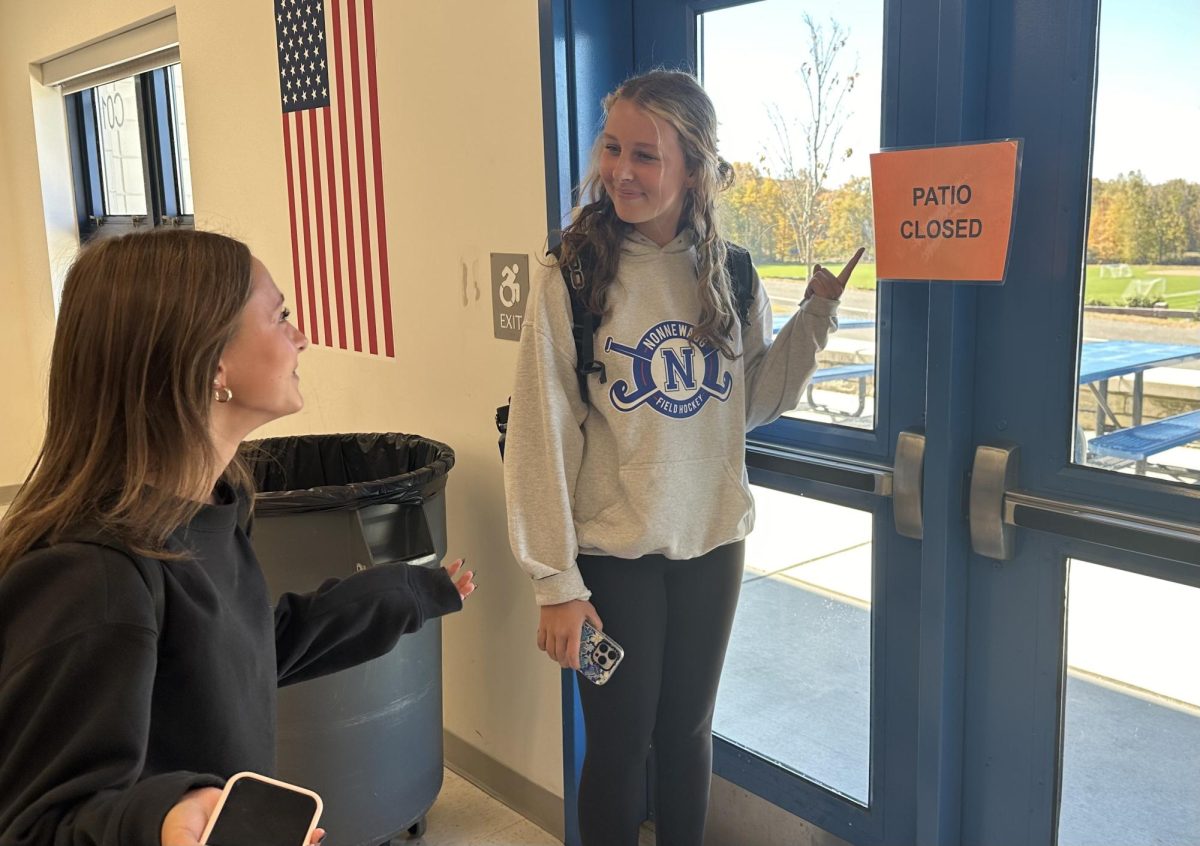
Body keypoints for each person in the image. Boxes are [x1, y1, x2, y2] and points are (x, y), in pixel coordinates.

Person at [0, 229, 475, 846]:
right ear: (211, 362)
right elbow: (35, 827)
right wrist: (166, 818)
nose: (301, 336)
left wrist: (401, 594)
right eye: (280, 316)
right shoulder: (92, 574)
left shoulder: (216, 507)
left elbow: (240, 654)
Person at [503, 69, 862, 846]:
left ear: (693, 168)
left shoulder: (730, 272)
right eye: (612, 149)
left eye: (646, 155)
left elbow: (752, 402)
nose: (621, 171)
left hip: (712, 546)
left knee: (689, 737)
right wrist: (554, 582)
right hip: (610, 556)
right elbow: (541, 432)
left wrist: (817, 315)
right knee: (619, 747)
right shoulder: (571, 273)